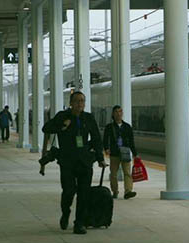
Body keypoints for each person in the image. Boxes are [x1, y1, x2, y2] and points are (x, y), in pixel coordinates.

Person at [42, 91, 106, 235]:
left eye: (82, 101)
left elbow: (96, 138)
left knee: (84, 193)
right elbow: (46, 128)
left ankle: (79, 223)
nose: (79, 104)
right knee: (68, 191)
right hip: (67, 162)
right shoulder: (62, 116)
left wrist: (100, 158)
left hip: (85, 161)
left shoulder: (88, 118)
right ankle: (65, 213)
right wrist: (61, 126)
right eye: (77, 101)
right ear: (71, 103)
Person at [103, 105, 137, 200]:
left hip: (125, 153)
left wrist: (135, 154)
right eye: (116, 112)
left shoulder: (127, 127)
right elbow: (105, 139)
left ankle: (128, 191)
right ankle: (115, 191)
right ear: (113, 114)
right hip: (114, 153)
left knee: (127, 173)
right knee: (113, 174)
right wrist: (106, 148)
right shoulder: (109, 127)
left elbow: (131, 141)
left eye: (120, 111)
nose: (118, 114)